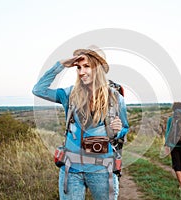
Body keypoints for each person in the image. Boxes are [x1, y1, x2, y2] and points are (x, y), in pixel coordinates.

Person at [32, 45, 129, 200]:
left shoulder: (115, 98)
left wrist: (118, 130)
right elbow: (38, 90)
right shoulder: (69, 94)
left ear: (98, 68)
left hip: (101, 170)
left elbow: (125, 128)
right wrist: (61, 65)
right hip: (71, 170)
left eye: (87, 66)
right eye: (78, 67)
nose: (81, 72)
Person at [164, 102, 181, 190]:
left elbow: (168, 133)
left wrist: (166, 145)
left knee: (177, 165)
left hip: (174, 145)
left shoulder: (171, 119)